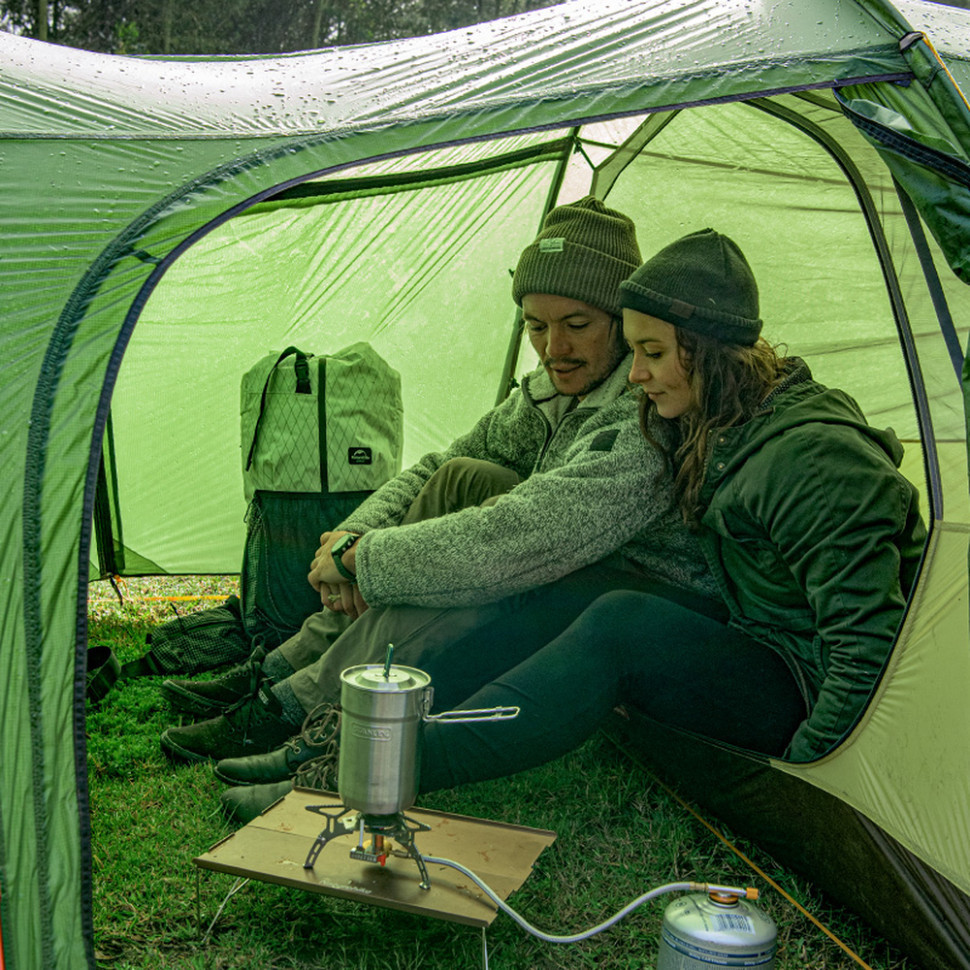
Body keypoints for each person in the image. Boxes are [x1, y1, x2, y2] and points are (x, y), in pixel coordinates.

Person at [216, 227, 926, 820]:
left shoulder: (816, 460)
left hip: (800, 689)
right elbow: (461, 466)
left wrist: (807, 795)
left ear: (708, 351)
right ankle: (352, 742)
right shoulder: (722, 421)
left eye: (652, 354)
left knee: (614, 618)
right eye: (637, 352)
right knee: (547, 579)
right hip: (747, 645)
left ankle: (370, 776)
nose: (639, 377)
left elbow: (864, 652)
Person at [159, 199, 720, 767]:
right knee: (463, 478)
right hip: (559, 567)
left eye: (577, 325)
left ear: (623, 325)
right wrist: (358, 530)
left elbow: (518, 539)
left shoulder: (648, 408)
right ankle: (282, 666)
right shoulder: (551, 392)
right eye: (535, 327)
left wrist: (363, 559)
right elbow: (444, 463)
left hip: (638, 600)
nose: (554, 349)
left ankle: (295, 707)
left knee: (475, 567)